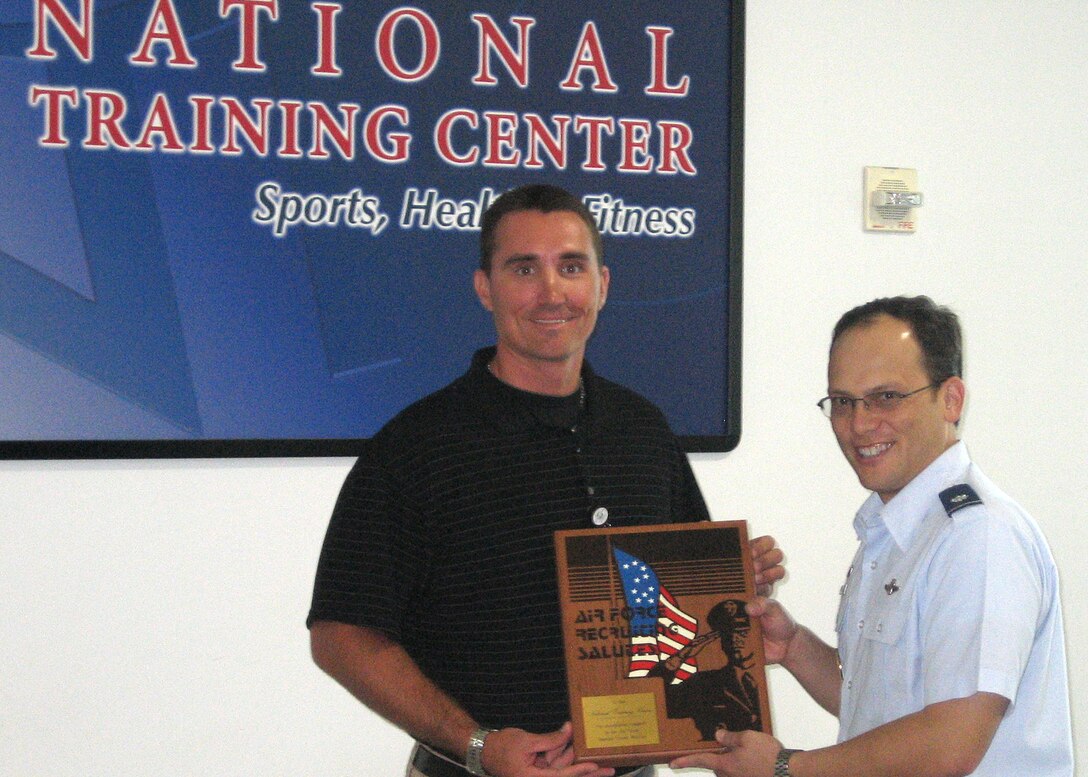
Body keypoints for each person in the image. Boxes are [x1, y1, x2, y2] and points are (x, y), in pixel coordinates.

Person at [306, 183, 784, 777]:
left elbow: (680, 600)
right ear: (486, 288)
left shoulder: (643, 430)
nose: (551, 291)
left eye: (571, 266)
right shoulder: (417, 447)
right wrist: (480, 746)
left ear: (602, 286)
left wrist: (736, 577)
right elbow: (340, 634)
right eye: (524, 268)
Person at [673, 295, 1074, 777]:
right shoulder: (893, 529)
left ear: (951, 399)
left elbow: (951, 740)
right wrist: (795, 647)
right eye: (843, 401)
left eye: (886, 397)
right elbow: (877, 706)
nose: (860, 424)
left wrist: (785, 768)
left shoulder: (978, 535)